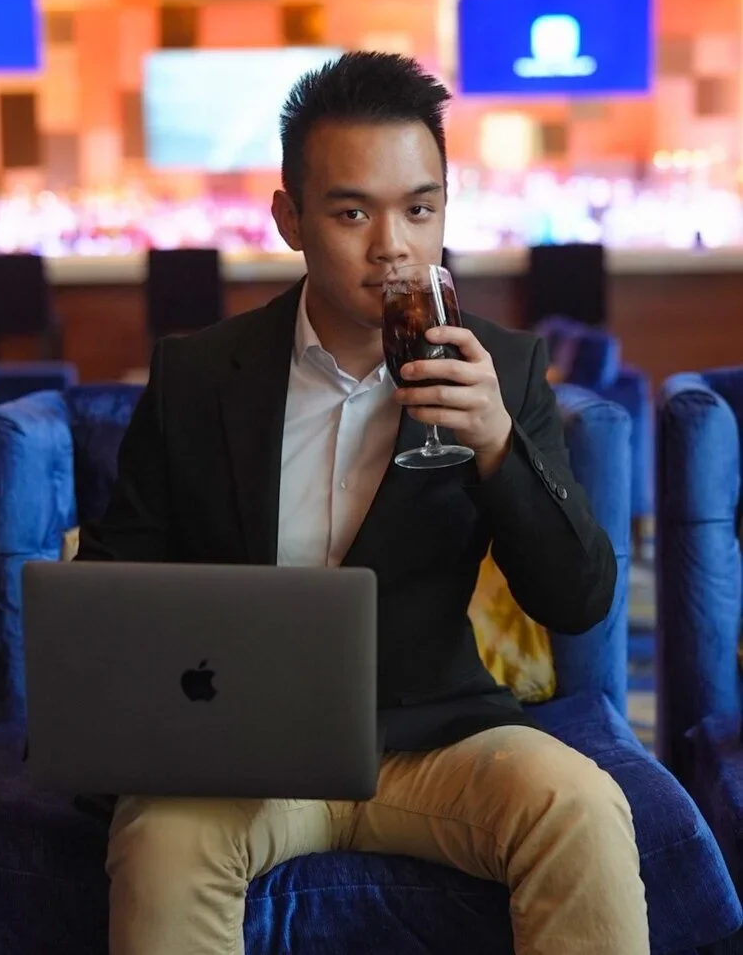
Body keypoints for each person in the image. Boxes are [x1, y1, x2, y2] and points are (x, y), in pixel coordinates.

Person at [78, 51, 649, 955]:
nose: (393, 246)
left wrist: (496, 445)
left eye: (419, 210)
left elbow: (577, 598)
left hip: (437, 738)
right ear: (290, 220)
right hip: (246, 749)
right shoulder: (199, 375)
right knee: (160, 840)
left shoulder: (499, 369)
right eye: (352, 213)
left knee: (579, 805)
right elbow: (117, 578)